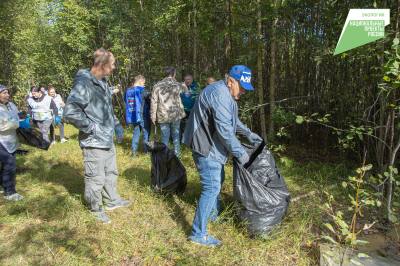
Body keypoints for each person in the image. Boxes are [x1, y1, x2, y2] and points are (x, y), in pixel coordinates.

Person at [183, 65, 262, 247]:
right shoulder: (219, 95)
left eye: (245, 89)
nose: (243, 92)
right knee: (211, 187)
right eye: (241, 87)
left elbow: (233, 121)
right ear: (231, 81)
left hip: (212, 144)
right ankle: (198, 233)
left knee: (219, 177)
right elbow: (225, 131)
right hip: (204, 145)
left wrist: (248, 133)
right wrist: (243, 156)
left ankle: (213, 215)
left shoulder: (227, 94)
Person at [63, 48, 130, 224]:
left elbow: (106, 109)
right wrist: (91, 127)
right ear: (103, 64)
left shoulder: (103, 83)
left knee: (111, 172)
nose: (114, 67)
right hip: (94, 141)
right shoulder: (84, 84)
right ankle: (95, 208)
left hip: (107, 139)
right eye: (113, 64)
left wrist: (116, 126)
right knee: (96, 177)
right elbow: (70, 112)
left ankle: (112, 200)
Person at [150, 66, 186, 157]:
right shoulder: (178, 85)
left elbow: (154, 102)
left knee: (165, 138)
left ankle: (164, 157)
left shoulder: (157, 85)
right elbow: (186, 92)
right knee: (176, 136)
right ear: (173, 74)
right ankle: (177, 156)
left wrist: (153, 116)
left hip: (163, 115)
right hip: (176, 115)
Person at [0, 85, 23, 201]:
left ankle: (3, 185)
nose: (7, 95)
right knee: (10, 165)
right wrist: (16, 124)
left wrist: (22, 120)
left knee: (5, 165)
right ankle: (10, 192)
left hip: (10, 140)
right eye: (4, 93)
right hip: (2, 142)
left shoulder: (8, 106)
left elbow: (15, 117)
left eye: (7, 93)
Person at [125, 75, 151, 156]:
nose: (144, 84)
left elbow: (126, 101)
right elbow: (150, 101)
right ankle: (146, 152)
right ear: (140, 81)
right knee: (146, 133)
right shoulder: (143, 91)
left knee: (136, 133)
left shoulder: (128, 91)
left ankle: (133, 152)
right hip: (143, 115)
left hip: (134, 115)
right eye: (144, 82)